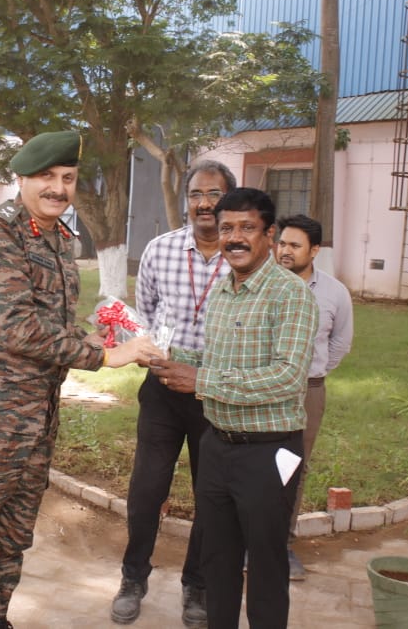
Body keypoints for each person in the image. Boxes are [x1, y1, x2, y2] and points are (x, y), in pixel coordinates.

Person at [0, 130, 160, 629]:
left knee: (12, 537)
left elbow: (50, 323)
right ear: (23, 179)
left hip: (36, 420)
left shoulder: (58, 238)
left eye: (68, 178)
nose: (58, 188)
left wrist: (92, 339)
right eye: (47, 177)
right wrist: (106, 359)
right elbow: (19, 328)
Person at [150, 188, 318, 629]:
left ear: (270, 235)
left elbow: (287, 376)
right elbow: (217, 362)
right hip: (217, 447)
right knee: (216, 561)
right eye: (227, 228)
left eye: (247, 228)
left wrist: (201, 380)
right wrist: (162, 356)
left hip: (269, 452)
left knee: (265, 564)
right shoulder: (224, 291)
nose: (235, 238)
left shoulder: (291, 294)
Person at [111, 161, 237, 628]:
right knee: (147, 489)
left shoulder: (242, 253)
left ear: (230, 198)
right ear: (186, 200)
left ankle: (197, 586)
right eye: (196, 194)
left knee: (212, 494)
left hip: (217, 396)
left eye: (215, 194)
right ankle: (132, 577)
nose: (205, 204)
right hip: (163, 390)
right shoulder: (159, 250)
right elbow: (146, 309)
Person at [275, 214, 353, 580]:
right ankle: (246, 543)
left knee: (293, 468)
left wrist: (312, 374)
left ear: (315, 250)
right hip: (262, 390)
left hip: (308, 392)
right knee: (254, 465)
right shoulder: (263, 284)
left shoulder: (335, 293)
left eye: (294, 246)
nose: (285, 252)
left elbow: (340, 342)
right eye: (282, 244)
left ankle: (281, 544)